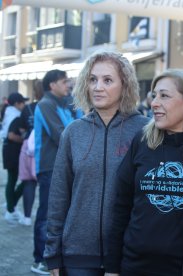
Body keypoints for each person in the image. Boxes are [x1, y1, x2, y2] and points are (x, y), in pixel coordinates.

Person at [44, 51, 149, 276]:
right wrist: (52, 251)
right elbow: (59, 195)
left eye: (107, 80)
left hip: (127, 254)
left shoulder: (145, 130)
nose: (97, 87)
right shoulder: (74, 132)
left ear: (125, 85)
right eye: (92, 79)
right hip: (78, 255)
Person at [105, 69, 183, 275]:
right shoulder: (142, 142)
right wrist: (112, 268)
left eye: (164, 95)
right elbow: (120, 207)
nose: (154, 102)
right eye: (154, 95)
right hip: (135, 265)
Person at [31, 69, 80, 275]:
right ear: (52, 85)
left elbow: (82, 126)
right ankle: (40, 259)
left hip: (68, 165)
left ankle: (57, 257)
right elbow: (61, 136)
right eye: (64, 81)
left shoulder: (66, 103)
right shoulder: (45, 104)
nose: (68, 84)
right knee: (47, 215)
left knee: (63, 214)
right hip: (50, 167)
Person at [17, 80, 44, 226]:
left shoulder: (28, 109)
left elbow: (22, 130)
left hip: (29, 148)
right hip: (46, 147)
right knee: (48, 185)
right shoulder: (54, 107)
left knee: (29, 183)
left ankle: (27, 218)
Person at [2, 92, 29, 222]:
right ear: (17, 104)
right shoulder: (16, 116)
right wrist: (25, 141)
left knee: (13, 180)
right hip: (13, 151)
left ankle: (10, 204)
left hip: (8, 150)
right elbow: (11, 135)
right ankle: (10, 208)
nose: (24, 104)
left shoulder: (9, 113)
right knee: (21, 180)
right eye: (22, 102)